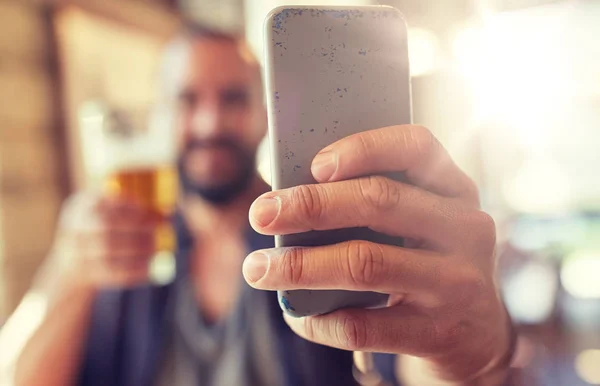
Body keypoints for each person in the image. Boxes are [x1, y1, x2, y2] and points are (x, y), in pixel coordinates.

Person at [0, 25, 516, 386]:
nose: (209, 124)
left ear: (266, 114)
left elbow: (409, 364)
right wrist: (64, 273)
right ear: (161, 116)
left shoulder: (327, 231)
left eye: (233, 98)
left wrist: (470, 352)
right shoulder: (122, 249)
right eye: (187, 100)